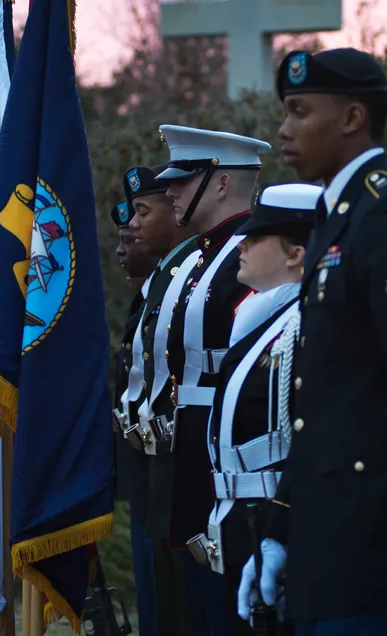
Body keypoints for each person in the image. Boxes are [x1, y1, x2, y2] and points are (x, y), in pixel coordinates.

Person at [238, 48, 387, 636]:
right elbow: (319, 406)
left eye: (299, 111)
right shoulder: (335, 220)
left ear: (351, 118)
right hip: (327, 540)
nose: (284, 129)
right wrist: (279, 531)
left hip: (376, 535)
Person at [149, 125, 271, 636]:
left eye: (184, 179)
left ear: (220, 184)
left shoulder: (251, 255)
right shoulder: (203, 256)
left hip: (232, 470)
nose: (170, 190)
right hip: (195, 465)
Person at [192, 183, 321, 636]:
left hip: (274, 520)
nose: (241, 244)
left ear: (296, 254)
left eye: (258, 236)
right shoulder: (261, 321)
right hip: (236, 520)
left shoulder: (309, 325)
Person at [119, 164, 196, 636]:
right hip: (149, 465)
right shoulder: (158, 287)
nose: (132, 224)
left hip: (180, 465)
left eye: (144, 211)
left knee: (179, 608)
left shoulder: (189, 280)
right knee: (157, 606)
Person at [110, 196, 159, 636]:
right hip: (145, 477)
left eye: (131, 237)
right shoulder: (145, 300)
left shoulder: (164, 299)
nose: (122, 250)